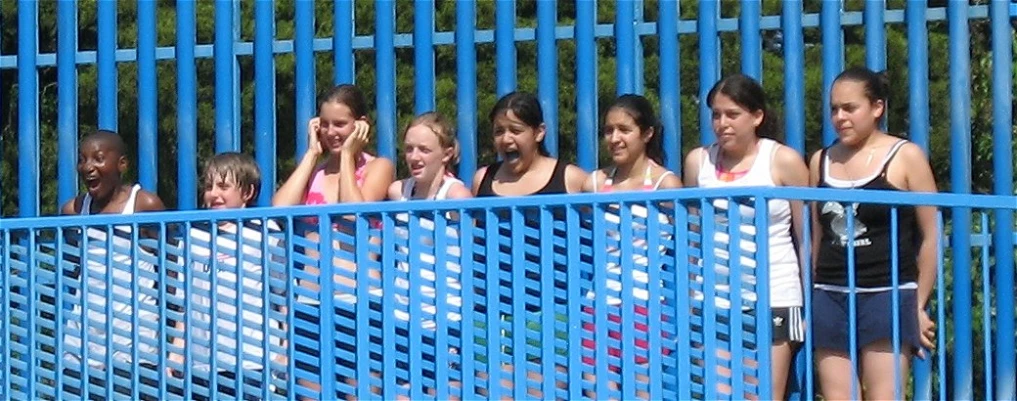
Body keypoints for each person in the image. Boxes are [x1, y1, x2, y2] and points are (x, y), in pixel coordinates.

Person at [809, 67, 938, 400]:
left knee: (884, 395)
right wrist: (812, 295)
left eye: (850, 108)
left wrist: (918, 304)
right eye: (834, 109)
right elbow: (816, 236)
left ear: (877, 107)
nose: (840, 117)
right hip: (830, 291)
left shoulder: (905, 156)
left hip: (888, 291)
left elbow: (931, 235)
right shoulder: (819, 161)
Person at [682, 74, 809, 400]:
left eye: (732, 114)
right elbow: (693, 236)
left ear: (757, 116)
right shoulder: (699, 161)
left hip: (775, 294)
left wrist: (810, 305)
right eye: (716, 114)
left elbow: (806, 237)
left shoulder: (783, 160)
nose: (722, 123)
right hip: (713, 296)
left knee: (762, 394)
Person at [272, 84, 393, 400]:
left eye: (340, 124)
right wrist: (313, 153)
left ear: (360, 124)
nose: (331, 132)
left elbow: (355, 213)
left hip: (358, 297)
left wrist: (348, 158)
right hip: (310, 299)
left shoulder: (378, 166)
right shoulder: (314, 170)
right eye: (324, 124)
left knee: (361, 392)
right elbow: (279, 211)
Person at [471, 92, 587, 398]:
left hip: (549, 310)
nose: (506, 139)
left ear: (539, 132)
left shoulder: (570, 178)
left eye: (516, 130)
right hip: (491, 312)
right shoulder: (483, 178)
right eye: (499, 131)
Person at [580, 94, 680, 399]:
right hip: (598, 301)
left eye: (624, 130)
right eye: (609, 130)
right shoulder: (594, 183)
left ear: (647, 133)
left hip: (643, 301)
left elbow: (689, 236)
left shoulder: (665, 183)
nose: (615, 138)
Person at [167, 152, 286, 401]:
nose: (214, 194)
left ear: (248, 192)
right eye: (209, 186)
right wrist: (177, 350)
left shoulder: (264, 231)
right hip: (201, 362)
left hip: (252, 359)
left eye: (223, 186)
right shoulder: (192, 235)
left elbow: (282, 295)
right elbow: (186, 302)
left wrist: (285, 346)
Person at [59, 130, 167, 401]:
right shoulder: (74, 209)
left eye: (98, 158)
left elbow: (171, 268)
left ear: (122, 164)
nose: (89, 167)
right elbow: (73, 263)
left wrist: (173, 332)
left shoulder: (144, 204)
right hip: (82, 339)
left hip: (133, 340)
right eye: (83, 160)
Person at [387, 112, 471, 399]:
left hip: (446, 315)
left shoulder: (456, 194)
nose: (414, 156)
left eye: (424, 149)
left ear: (446, 153)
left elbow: (472, 253)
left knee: (444, 391)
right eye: (409, 148)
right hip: (403, 314)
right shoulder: (399, 191)